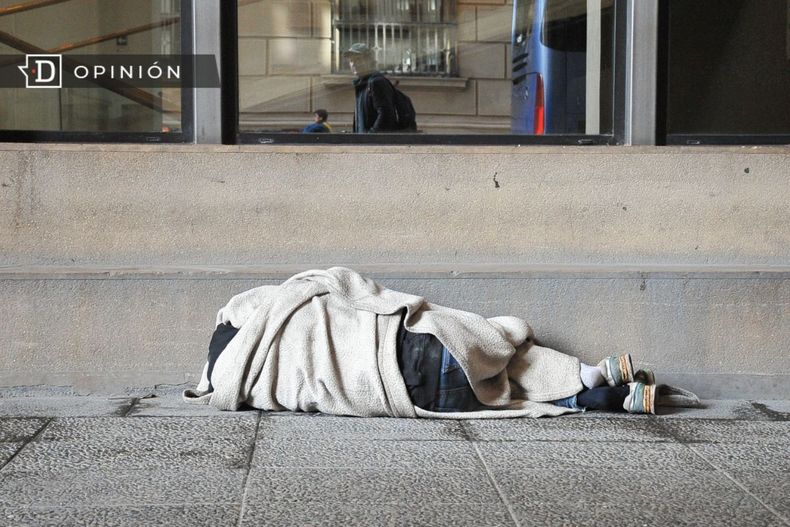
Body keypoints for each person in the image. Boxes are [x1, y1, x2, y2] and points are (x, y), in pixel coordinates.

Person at [184, 267, 699, 417]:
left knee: (507, 396)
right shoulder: (271, 304)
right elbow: (339, 282)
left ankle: (608, 398)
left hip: (400, 391)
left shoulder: (241, 382)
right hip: (416, 345)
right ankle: (593, 375)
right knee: (505, 353)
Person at [343, 43, 398, 133]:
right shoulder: (362, 84)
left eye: (358, 59)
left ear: (368, 60)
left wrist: (370, 137)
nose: (353, 64)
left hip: (374, 144)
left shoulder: (376, 82)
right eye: (351, 61)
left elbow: (386, 115)